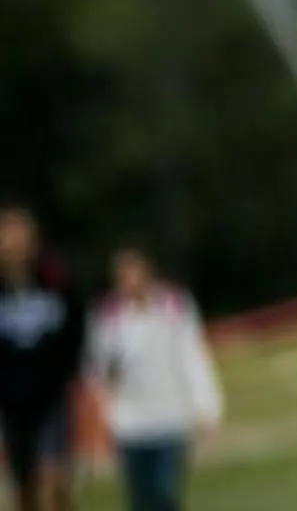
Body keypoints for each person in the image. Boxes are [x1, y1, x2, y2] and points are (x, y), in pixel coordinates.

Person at [86, 250, 220, 511]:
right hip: (129, 424)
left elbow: (192, 357)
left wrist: (206, 406)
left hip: (170, 418)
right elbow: (98, 370)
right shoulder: (109, 317)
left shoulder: (174, 305)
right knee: (140, 499)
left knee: (165, 494)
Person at [0, 207, 83, 511]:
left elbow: (76, 330)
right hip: (11, 404)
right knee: (25, 489)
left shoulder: (55, 280)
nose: (13, 245)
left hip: (51, 398)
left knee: (54, 481)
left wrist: (71, 374)